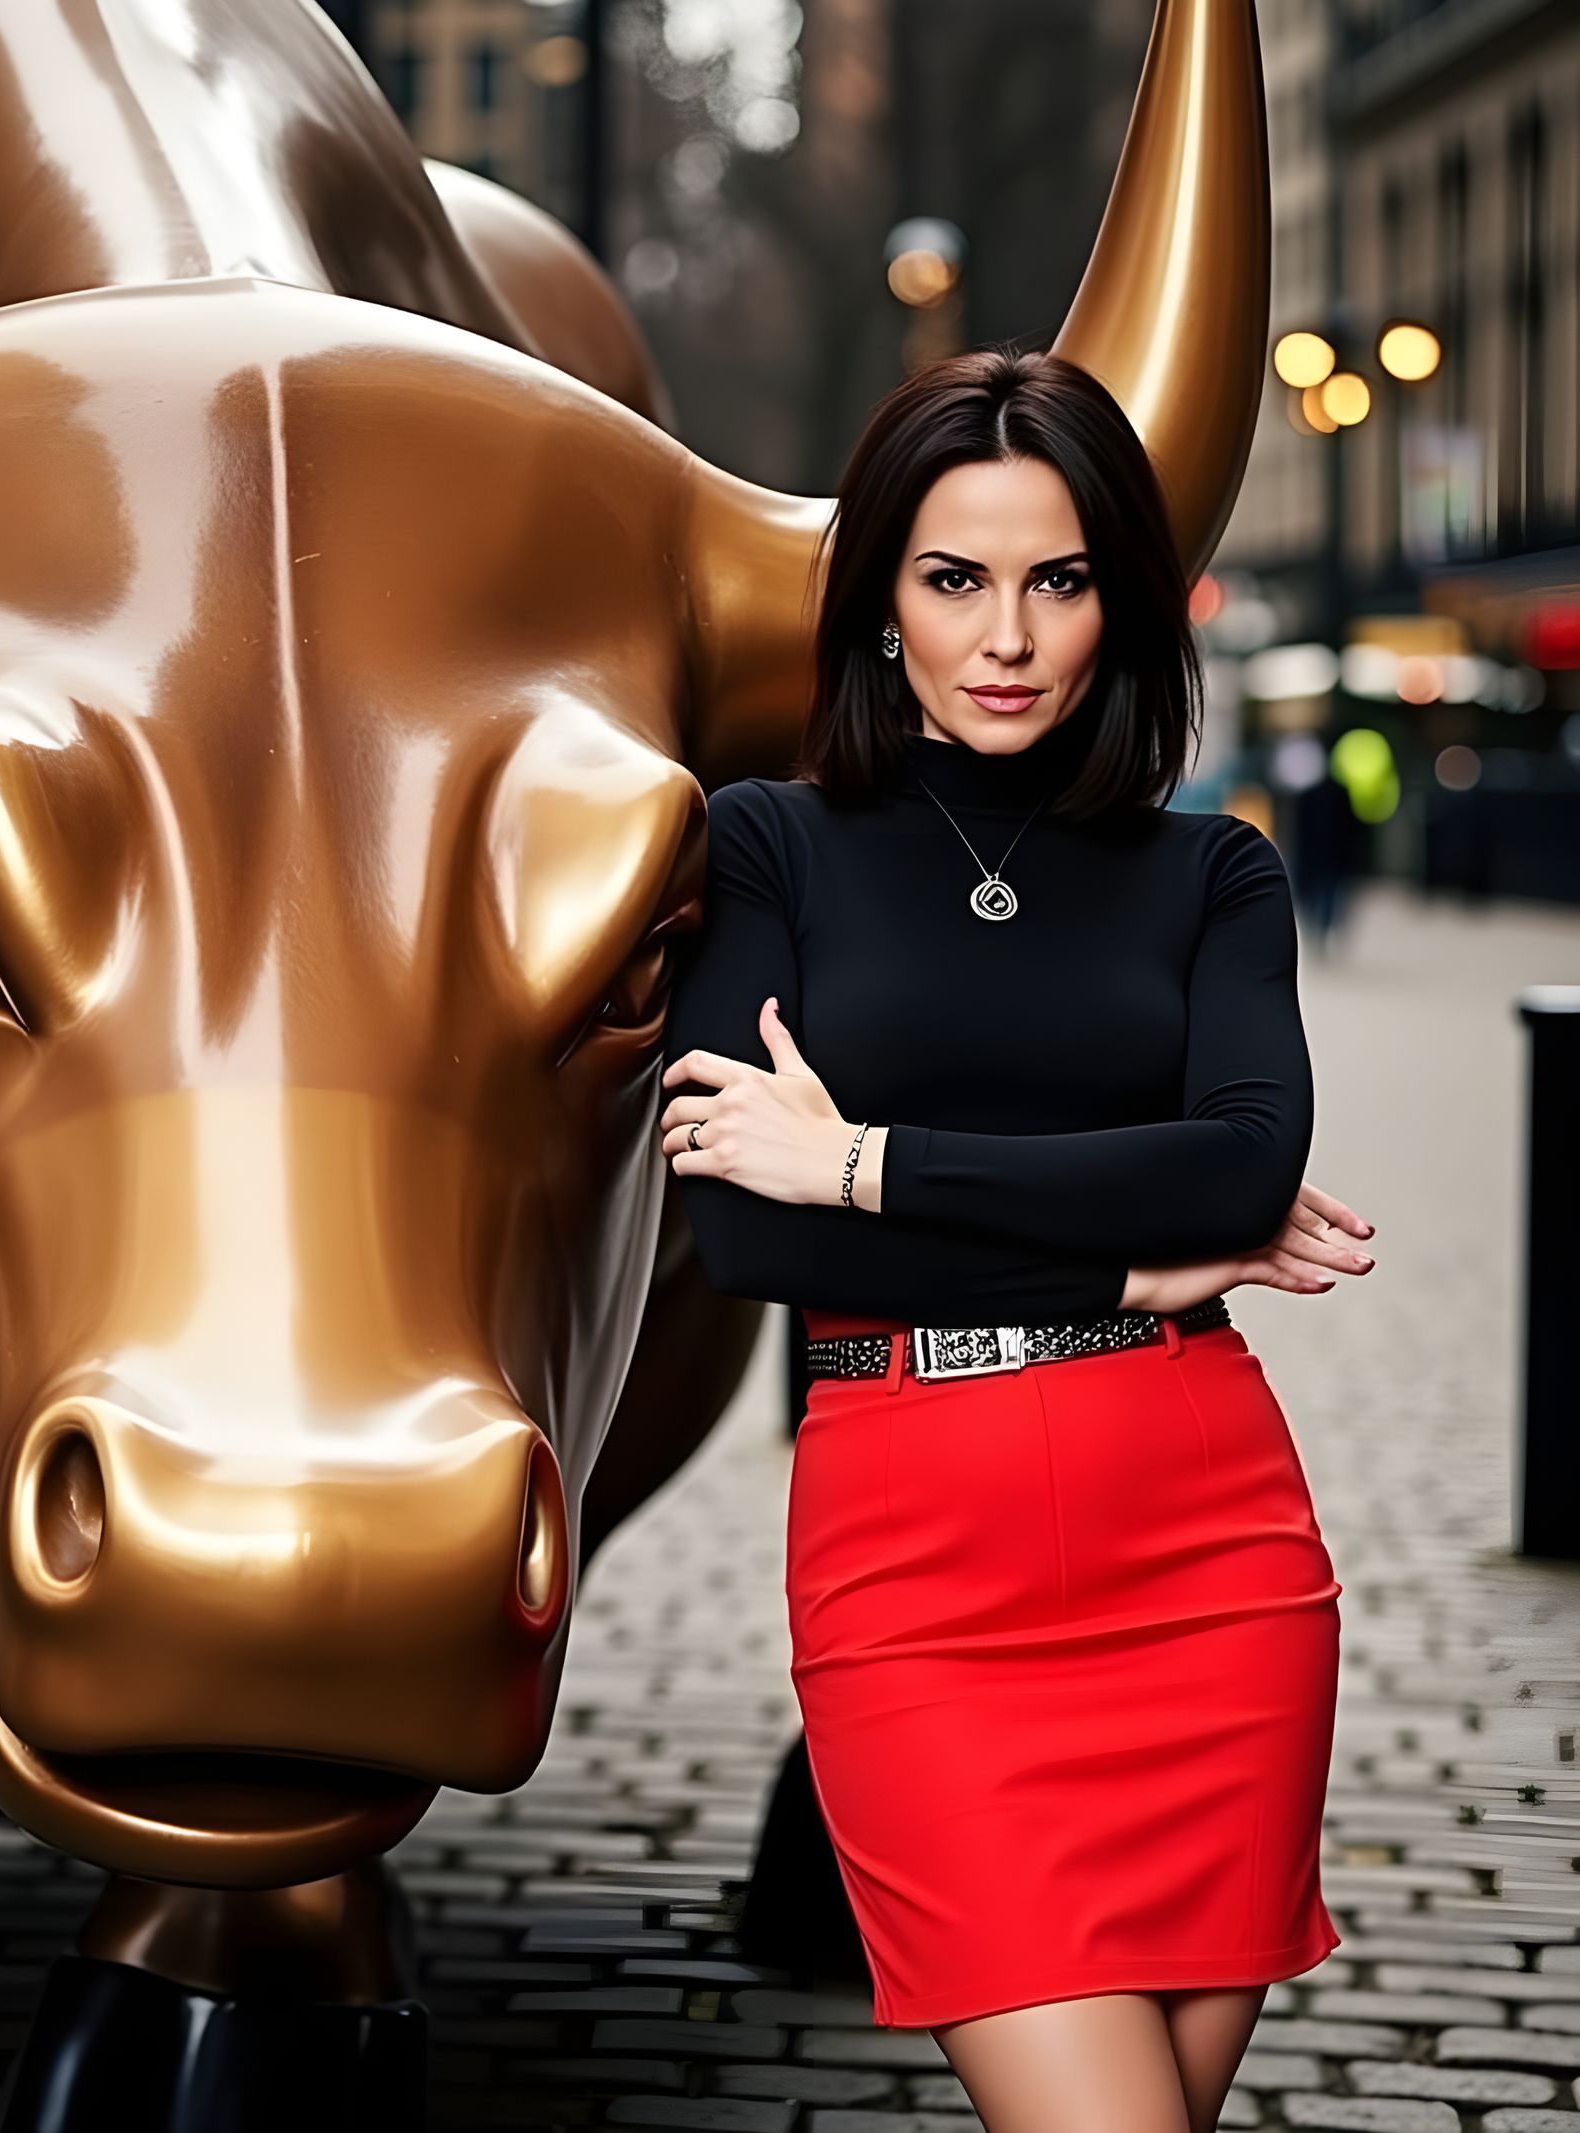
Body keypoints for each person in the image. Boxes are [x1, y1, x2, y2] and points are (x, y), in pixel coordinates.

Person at [656, 346, 1375, 2133]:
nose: (1007, 634)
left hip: (1210, 1556)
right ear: (883, 602)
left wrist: (863, 1171)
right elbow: (737, 1236)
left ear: (1118, 600)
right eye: (953, 577)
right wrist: (1117, 1253)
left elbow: (1236, 1177)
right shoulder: (771, 849)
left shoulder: (1217, 877)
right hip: (917, 1575)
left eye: (1057, 580)